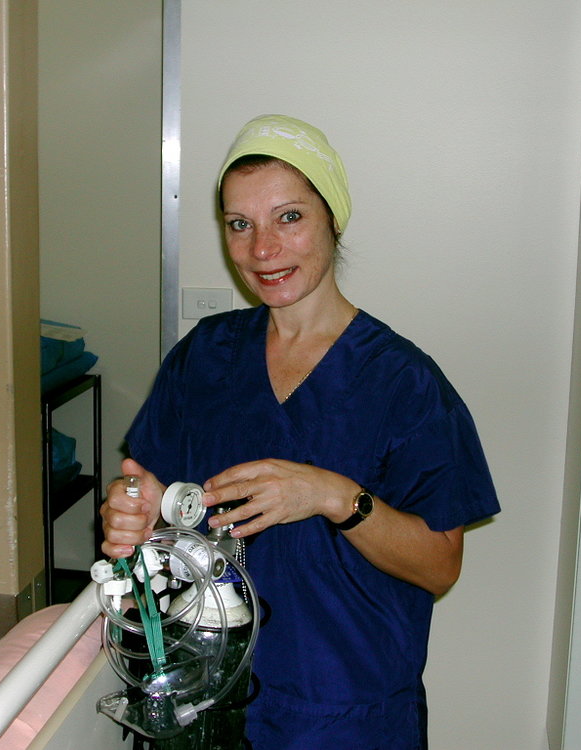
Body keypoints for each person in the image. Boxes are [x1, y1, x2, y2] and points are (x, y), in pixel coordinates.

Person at [101, 114, 500, 750]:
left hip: (346, 713)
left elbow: (439, 566)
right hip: (207, 692)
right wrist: (134, 513)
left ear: (332, 219)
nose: (263, 249)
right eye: (241, 225)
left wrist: (334, 496)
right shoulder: (203, 358)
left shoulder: (405, 384)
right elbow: (147, 495)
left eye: (289, 217)